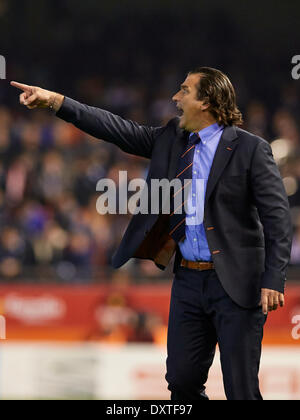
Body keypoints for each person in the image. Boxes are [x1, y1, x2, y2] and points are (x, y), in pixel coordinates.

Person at [11, 67, 292, 400]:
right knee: (182, 382)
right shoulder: (172, 138)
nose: (175, 97)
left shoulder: (250, 150)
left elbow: (278, 218)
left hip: (237, 281)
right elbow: (114, 128)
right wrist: (57, 102)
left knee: (240, 389)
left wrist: (273, 278)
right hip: (188, 279)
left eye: (185, 91)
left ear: (207, 102)